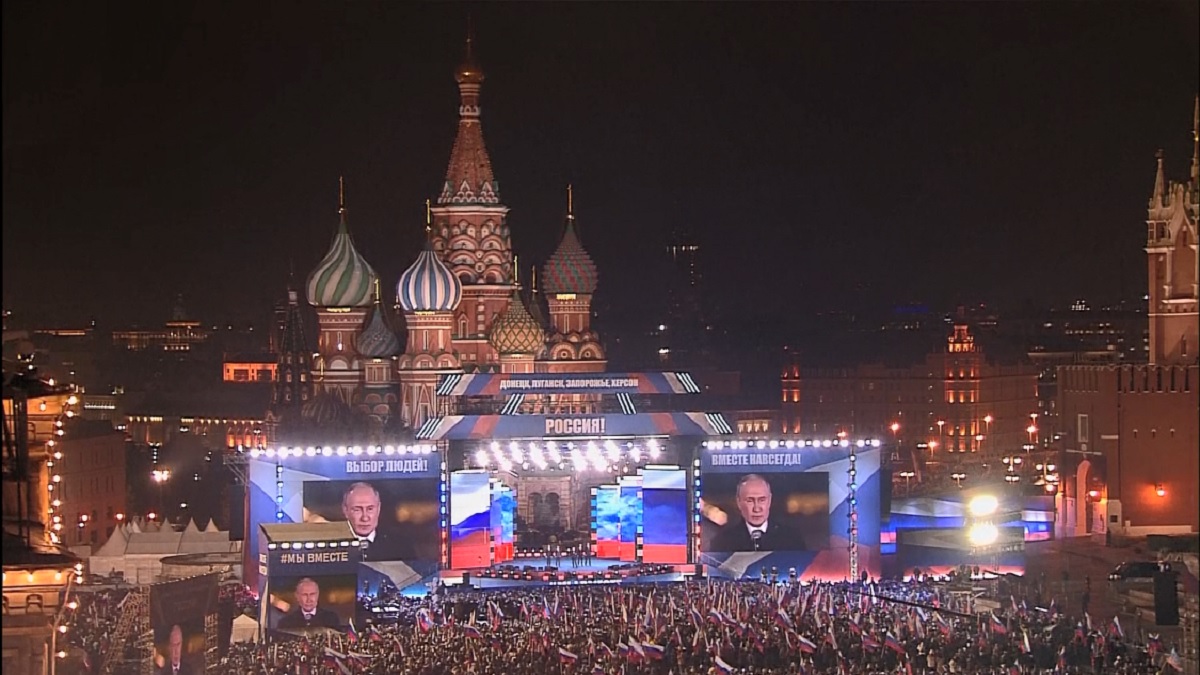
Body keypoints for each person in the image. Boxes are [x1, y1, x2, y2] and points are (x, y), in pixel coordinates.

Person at [709, 474, 805, 552]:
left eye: (762, 500)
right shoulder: (722, 542)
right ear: (739, 502)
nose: (757, 508)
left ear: (769, 500)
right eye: (750, 501)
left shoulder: (792, 538)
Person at [340, 482, 413, 561]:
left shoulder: (400, 545)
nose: (365, 518)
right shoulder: (334, 541)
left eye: (370, 509)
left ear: (378, 509)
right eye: (357, 510)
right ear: (345, 510)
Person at [277, 578, 342, 630]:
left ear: (318, 595)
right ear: (297, 596)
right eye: (304, 595)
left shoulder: (331, 619)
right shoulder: (286, 623)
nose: (309, 599)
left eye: (312, 594)